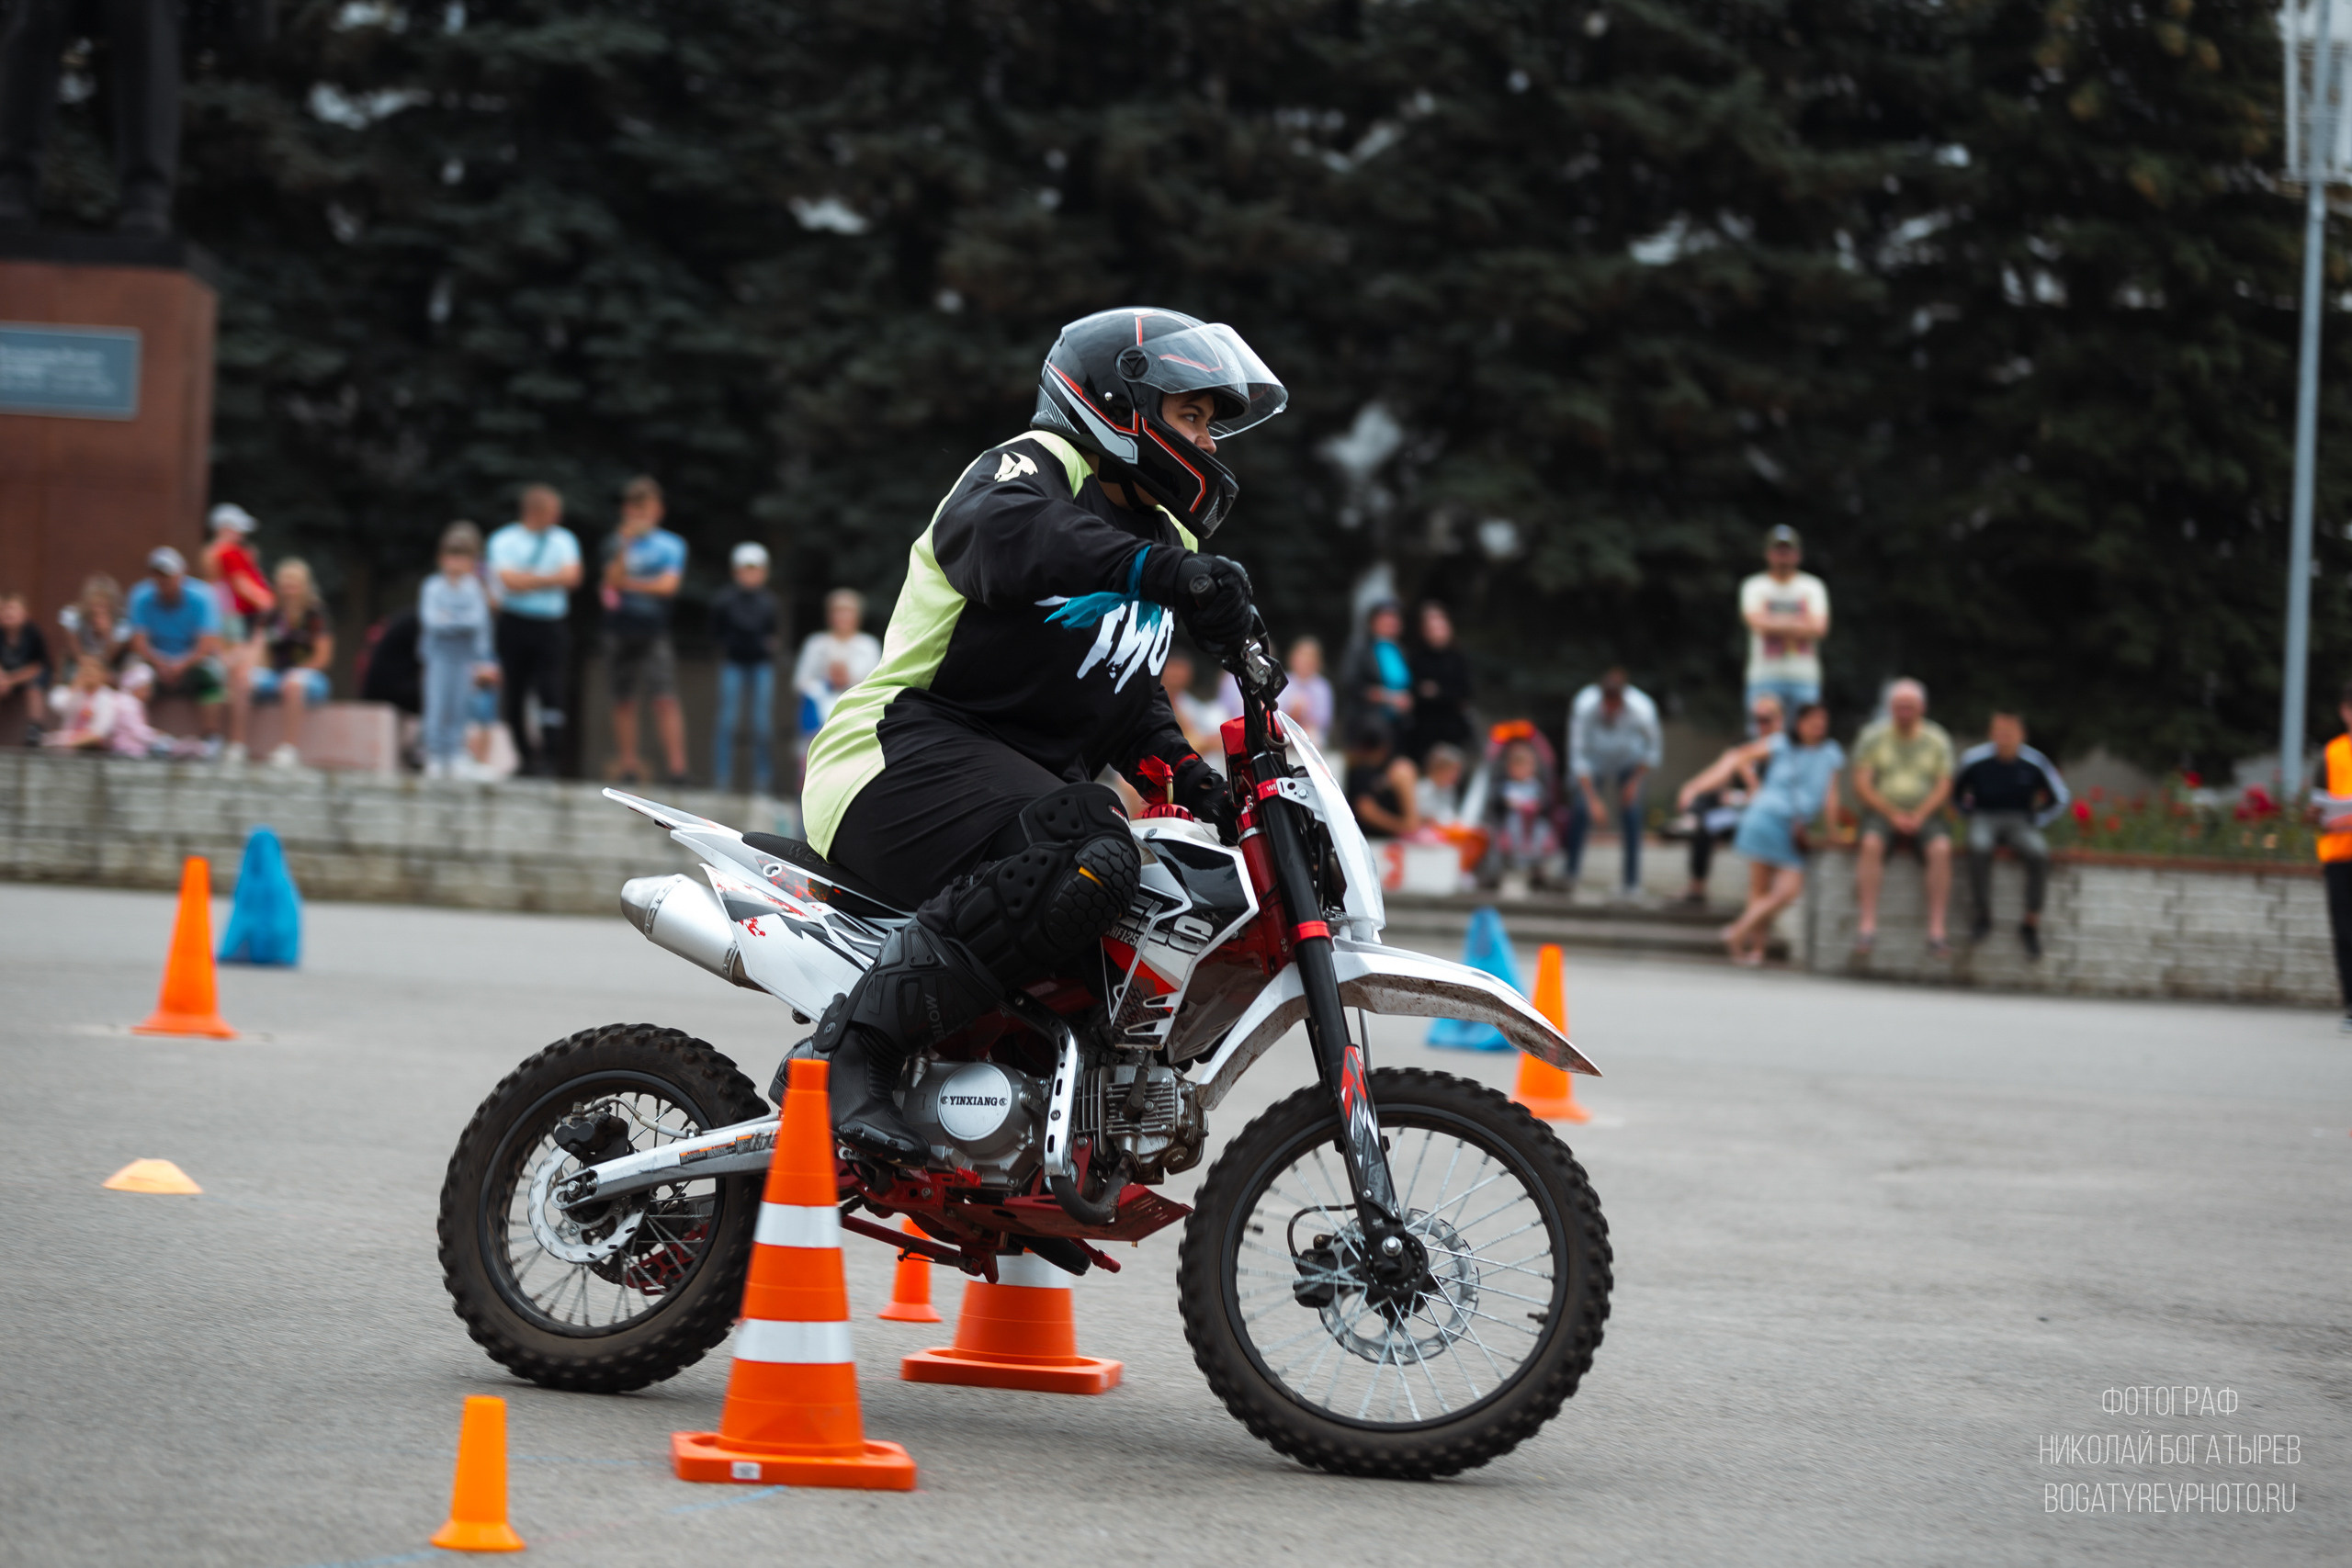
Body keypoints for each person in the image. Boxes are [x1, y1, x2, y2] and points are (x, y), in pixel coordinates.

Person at [798, 305, 1281, 1160]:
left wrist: (1200, 783)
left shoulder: (1161, 531)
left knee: (1154, 896)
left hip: (1012, 799)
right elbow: (1006, 536)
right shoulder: (1031, 469)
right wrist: (1167, 573)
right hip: (894, 759)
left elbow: (1126, 697)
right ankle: (852, 1052)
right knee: (1092, 837)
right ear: (1120, 405)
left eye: (1212, 422)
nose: (1208, 441)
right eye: (1192, 415)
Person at [1721, 702, 1846, 964]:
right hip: (1765, 818)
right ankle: (1757, 950)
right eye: (1812, 719)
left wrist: (1833, 831)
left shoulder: (1831, 753)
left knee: (1788, 891)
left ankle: (1737, 932)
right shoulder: (1781, 743)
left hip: (1793, 827)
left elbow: (1830, 797)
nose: (1818, 724)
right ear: (1798, 723)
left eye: (1822, 719)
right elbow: (1740, 757)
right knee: (1759, 889)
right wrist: (1755, 787)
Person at [1851, 677, 1957, 956]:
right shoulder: (1873, 736)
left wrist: (1920, 815)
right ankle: (1867, 926)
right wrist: (1892, 814)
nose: (1904, 712)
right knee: (1870, 843)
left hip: (1926, 812)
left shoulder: (1937, 738)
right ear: (1890, 707)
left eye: (1909, 706)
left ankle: (1936, 931)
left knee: (1941, 848)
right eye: (1899, 706)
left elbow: (1944, 785)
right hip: (1882, 810)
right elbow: (1862, 784)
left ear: (1922, 707)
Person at [1954, 712, 2069, 958]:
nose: (2004, 738)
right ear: (1991, 734)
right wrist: (1967, 813)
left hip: (2020, 819)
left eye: (2010, 733)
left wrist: (2038, 819)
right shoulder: (1974, 759)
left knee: (2039, 852)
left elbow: (2060, 797)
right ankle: (1983, 915)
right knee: (1978, 846)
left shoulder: (2035, 762)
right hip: (1984, 816)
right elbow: (1954, 792)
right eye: (1999, 732)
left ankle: (2031, 922)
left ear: (2021, 735)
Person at [486, 482, 582, 776]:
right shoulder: (504, 540)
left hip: (550, 626)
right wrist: (549, 579)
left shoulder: (564, 540)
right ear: (534, 512)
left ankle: (550, 757)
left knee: (551, 689)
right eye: (552, 512)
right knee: (514, 691)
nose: (558, 518)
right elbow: (507, 582)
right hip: (514, 623)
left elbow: (572, 577)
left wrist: (527, 580)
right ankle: (524, 757)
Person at [600, 475, 689, 784]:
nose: (640, 516)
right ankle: (628, 766)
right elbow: (611, 580)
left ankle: (678, 770)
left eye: (646, 509)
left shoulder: (671, 545)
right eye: (635, 509)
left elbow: (668, 586)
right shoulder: (615, 542)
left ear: (658, 510)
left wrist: (630, 584)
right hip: (618, 629)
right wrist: (624, 545)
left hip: (654, 630)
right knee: (623, 699)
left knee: (664, 697)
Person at [1674, 693, 1786, 904]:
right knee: (1707, 810)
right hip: (1742, 812)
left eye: (1766, 719)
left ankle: (1692, 820)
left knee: (1707, 820)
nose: (1761, 725)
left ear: (1779, 720)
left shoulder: (1783, 750)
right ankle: (1693, 818)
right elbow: (1724, 770)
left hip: (1763, 817)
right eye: (1757, 719)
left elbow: (1767, 795)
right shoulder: (1752, 747)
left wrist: (1744, 786)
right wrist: (1693, 788)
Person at [1566, 668, 1662, 899]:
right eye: (1606, 705)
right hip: (1595, 761)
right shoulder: (1584, 706)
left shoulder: (1642, 709)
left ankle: (1631, 882)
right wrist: (1592, 799)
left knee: (1632, 814)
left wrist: (1634, 783)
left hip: (1629, 762)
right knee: (1580, 809)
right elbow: (1577, 755)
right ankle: (1570, 873)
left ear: (1623, 699)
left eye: (1614, 706)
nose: (1610, 711)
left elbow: (1653, 751)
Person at [125, 546, 226, 752]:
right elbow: (138, 642)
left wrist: (181, 664)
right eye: (157, 575)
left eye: (168, 575)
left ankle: (211, 736)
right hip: (155, 661)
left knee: (212, 673)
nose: (163, 580)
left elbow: (207, 644)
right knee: (135, 674)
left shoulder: (203, 596)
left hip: (192, 660)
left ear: (182, 574)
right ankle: (134, 734)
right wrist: (159, 662)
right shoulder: (140, 595)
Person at [420, 523, 500, 779]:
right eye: (452, 556)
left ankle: (454, 754)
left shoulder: (474, 587)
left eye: (463, 557)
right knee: (437, 705)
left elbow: (476, 621)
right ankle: (435, 755)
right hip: (439, 657)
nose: (456, 563)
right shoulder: (432, 587)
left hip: (465, 658)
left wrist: (449, 618)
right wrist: (458, 621)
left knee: (460, 706)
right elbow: (432, 621)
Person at [239, 558, 334, 767]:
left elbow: (323, 657)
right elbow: (258, 647)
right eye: (285, 585)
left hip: (309, 677)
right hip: (276, 675)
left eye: (294, 585)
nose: (289, 590)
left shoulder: (315, 614)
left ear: (304, 586)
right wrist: (247, 669)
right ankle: (238, 746)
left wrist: (298, 671)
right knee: (244, 680)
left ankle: (289, 748)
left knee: (294, 682)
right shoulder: (271, 614)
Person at [1740, 524, 1830, 731]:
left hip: (1805, 678)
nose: (1783, 556)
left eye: (1787, 550)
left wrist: (1773, 621)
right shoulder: (1754, 586)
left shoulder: (1813, 586)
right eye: (1778, 550)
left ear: (1798, 554)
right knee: (1763, 739)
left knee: (1806, 737)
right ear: (1768, 554)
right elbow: (1757, 624)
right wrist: (1800, 622)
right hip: (1763, 677)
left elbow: (1819, 628)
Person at [711, 542, 783, 795]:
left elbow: (773, 633)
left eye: (755, 570)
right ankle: (722, 779)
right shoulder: (724, 600)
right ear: (736, 572)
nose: (750, 575)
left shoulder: (769, 602)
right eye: (746, 569)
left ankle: (763, 780)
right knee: (727, 721)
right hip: (733, 664)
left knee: (762, 723)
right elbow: (716, 632)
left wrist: (766, 646)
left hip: (761, 666)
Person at [794, 588, 883, 742]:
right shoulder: (816, 644)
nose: (842, 617)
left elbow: (878, 684)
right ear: (828, 615)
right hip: (820, 718)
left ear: (858, 616)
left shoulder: (869, 645)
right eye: (838, 612)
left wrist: (849, 681)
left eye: (848, 612)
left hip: (857, 714)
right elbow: (800, 682)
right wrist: (826, 683)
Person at [2315, 684, 2352, 1031]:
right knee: (2344, 932)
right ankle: (2351, 1006)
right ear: (2344, 711)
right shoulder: (2331, 753)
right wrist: (2319, 813)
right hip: (2339, 854)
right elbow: (2317, 803)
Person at [1480, 736, 1563, 887]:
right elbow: (1497, 803)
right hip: (1510, 828)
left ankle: (1539, 872)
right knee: (1506, 829)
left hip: (1533, 828)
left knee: (1543, 831)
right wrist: (1509, 803)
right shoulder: (1505, 786)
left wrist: (1536, 806)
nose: (1523, 770)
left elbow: (1545, 805)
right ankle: (1495, 874)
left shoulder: (1537, 787)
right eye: (1518, 766)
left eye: (1527, 766)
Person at [42, 654, 154, 756]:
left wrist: (67, 743)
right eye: (84, 669)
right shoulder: (69, 691)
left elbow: (100, 733)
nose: (88, 673)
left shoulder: (108, 697)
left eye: (93, 669)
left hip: (93, 749)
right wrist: (75, 686)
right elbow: (59, 706)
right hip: (68, 741)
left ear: (103, 674)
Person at [1408, 601, 1474, 760]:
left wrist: (1438, 692)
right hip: (1424, 728)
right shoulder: (1415, 657)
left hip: (1452, 728)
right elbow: (1412, 690)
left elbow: (1466, 692)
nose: (1437, 633)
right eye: (1431, 628)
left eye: (1440, 627)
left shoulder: (1458, 657)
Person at [1344, 601, 1414, 735]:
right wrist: (1387, 697)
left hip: (1402, 719)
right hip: (1369, 719)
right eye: (1386, 618)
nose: (1391, 622)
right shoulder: (1360, 648)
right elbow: (1351, 684)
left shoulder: (1402, 649)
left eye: (1394, 617)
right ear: (1373, 622)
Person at [54, 573, 130, 695]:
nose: (98, 608)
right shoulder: (74, 615)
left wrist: (107, 633)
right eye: (95, 602)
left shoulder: (121, 623)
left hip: (108, 665)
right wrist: (88, 669)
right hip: (80, 664)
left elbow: (110, 657)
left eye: (103, 603)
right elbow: (75, 649)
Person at [1344, 717, 1419, 839]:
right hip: (1371, 836)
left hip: (1392, 833)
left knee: (1403, 768)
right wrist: (1403, 827)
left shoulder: (1391, 767)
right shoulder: (1360, 770)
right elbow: (1365, 809)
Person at [0, 591, 51, 737]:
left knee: (34, 688)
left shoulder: (33, 633)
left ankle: (35, 728)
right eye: (5, 609)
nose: (8, 613)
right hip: (8, 676)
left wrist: (10, 680)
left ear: (25, 614)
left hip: (32, 674)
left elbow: (37, 666)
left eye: (13, 609)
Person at [1159, 648, 1225, 755]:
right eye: (1173, 669)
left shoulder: (1188, 704)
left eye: (1181, 670)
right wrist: (1206, 743)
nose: (1176, 676)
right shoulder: (1152, 705)